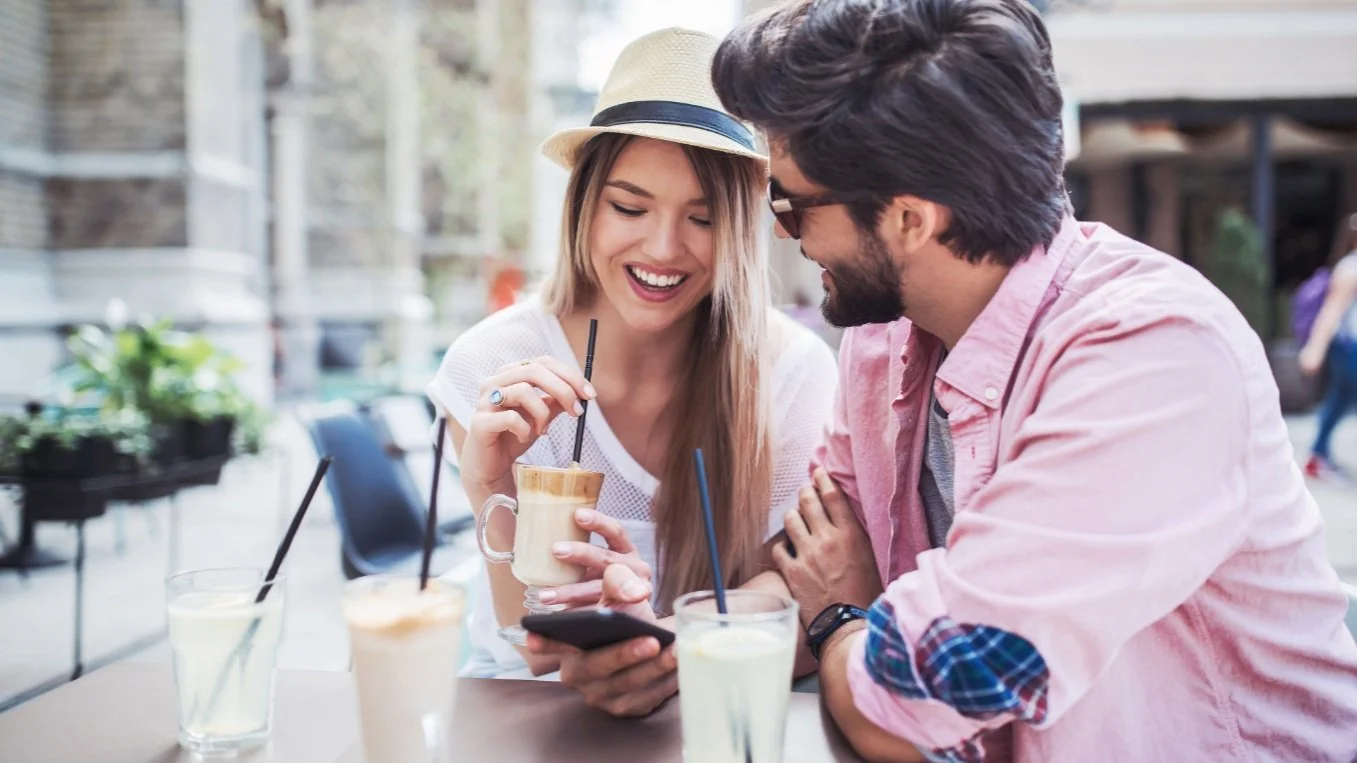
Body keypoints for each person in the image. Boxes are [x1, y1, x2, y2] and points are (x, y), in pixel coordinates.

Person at [620, 0, 1357, 760]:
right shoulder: (882, 339)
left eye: (792, 202)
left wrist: (847, 615)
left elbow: (906, 701)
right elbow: (816, 562)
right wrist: (661, 647)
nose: (781, 231)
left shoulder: (1154, 357)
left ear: (910, 218)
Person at [425, 27, 836, 716]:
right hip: (526, 719)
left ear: (739, 227)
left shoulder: (791, 372)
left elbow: (805, 601)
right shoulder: (490, 363)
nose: (663, 248)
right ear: (584, 204)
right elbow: (521, 644)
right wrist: (492, 483)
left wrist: (668, 652)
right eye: (629, 206)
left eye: (701, 218)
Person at [1299, 212, 1357, 484]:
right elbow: (1331, 311)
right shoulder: (1351, 268)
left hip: (1348, 347)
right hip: (1349, 347)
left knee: (1339, 401)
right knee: (1339, 400)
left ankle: (1317, 455)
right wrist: (1315, 348)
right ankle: (1317, 456)